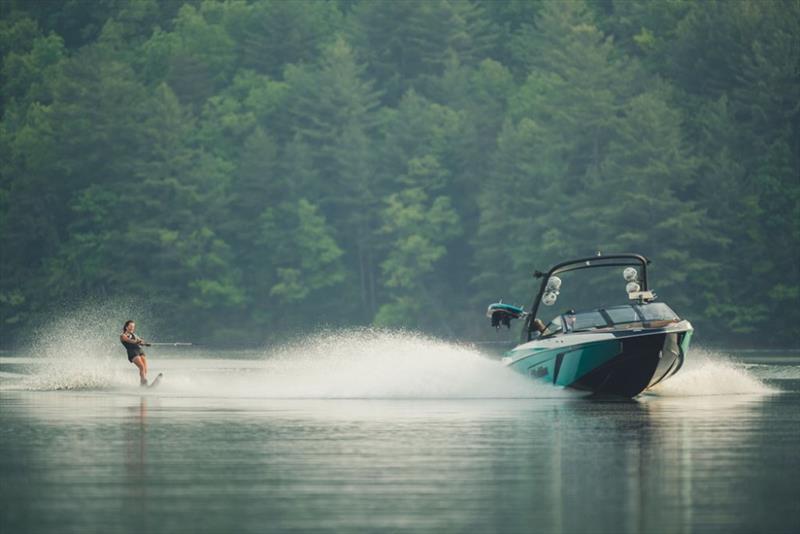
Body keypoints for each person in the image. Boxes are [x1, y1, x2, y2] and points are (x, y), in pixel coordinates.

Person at [121, 320, 151, 386]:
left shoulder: (134, 335)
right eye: (130, 326)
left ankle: (142, 383)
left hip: (139, 350)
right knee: (142, 367)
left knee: (145, 368)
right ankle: (144, 382)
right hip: (132, 352)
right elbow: (129, 340)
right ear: (126, 327)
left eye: (133, 326)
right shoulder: (123, 336)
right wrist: (137, 341)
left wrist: (145, 344)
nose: (132, 328)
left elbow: (141, 342)